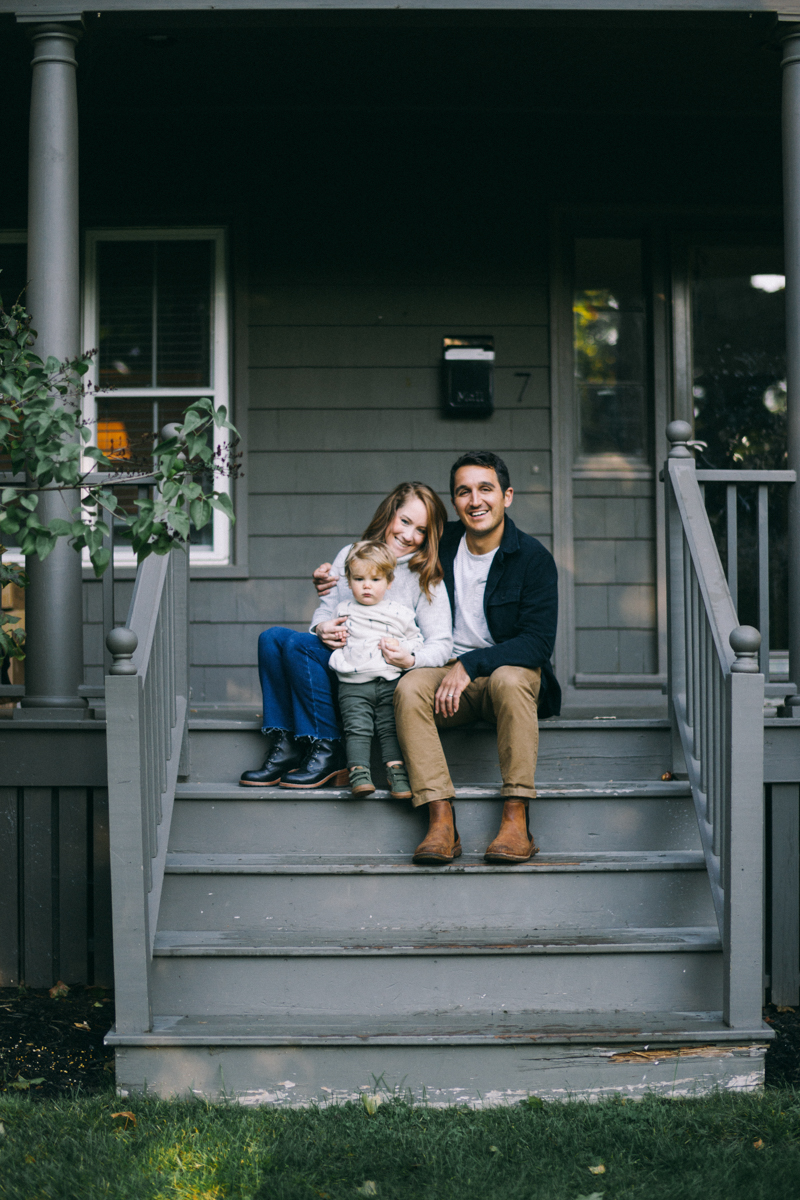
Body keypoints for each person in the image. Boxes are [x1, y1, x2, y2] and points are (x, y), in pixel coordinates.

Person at [393, 450, 560, 865]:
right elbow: (382, 559)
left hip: (503, 678)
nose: (475, 500)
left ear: (507, 496)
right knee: (410, 685)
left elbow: (537, 644)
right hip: (448, 680)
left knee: (510, 678)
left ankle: (516, 817)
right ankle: (440, 820)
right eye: (463, 492)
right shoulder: (442, 543)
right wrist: (336, 578)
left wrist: (472, 664)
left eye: (485, 489)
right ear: (454, 502)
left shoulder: (533, 559)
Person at [239, 482, 453, 789]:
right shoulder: (351, 555)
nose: (408, 535)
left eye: (421, 530)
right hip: (345, 657)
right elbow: (327, 610)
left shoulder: (426, 575)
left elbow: (442, 643)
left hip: (380, 677)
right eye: (405, 521)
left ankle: (328, 747)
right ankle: (285, 744)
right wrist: (321, 628)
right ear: (390, 513)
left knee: (298, 645)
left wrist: (411, 658)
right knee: (271, 638)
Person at [328, 540, 423, 799]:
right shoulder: (342, 610)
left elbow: (417, 641)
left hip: (388, 681)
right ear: (348, 582)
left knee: (391, 728)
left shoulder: (399, 613)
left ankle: (397, 774)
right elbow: (331, 636)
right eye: (359, 579)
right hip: (353, 682)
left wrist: (401, 646)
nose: (367, 585)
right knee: (356, 729)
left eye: (375, 579)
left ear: (389, 581)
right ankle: (359, 774)